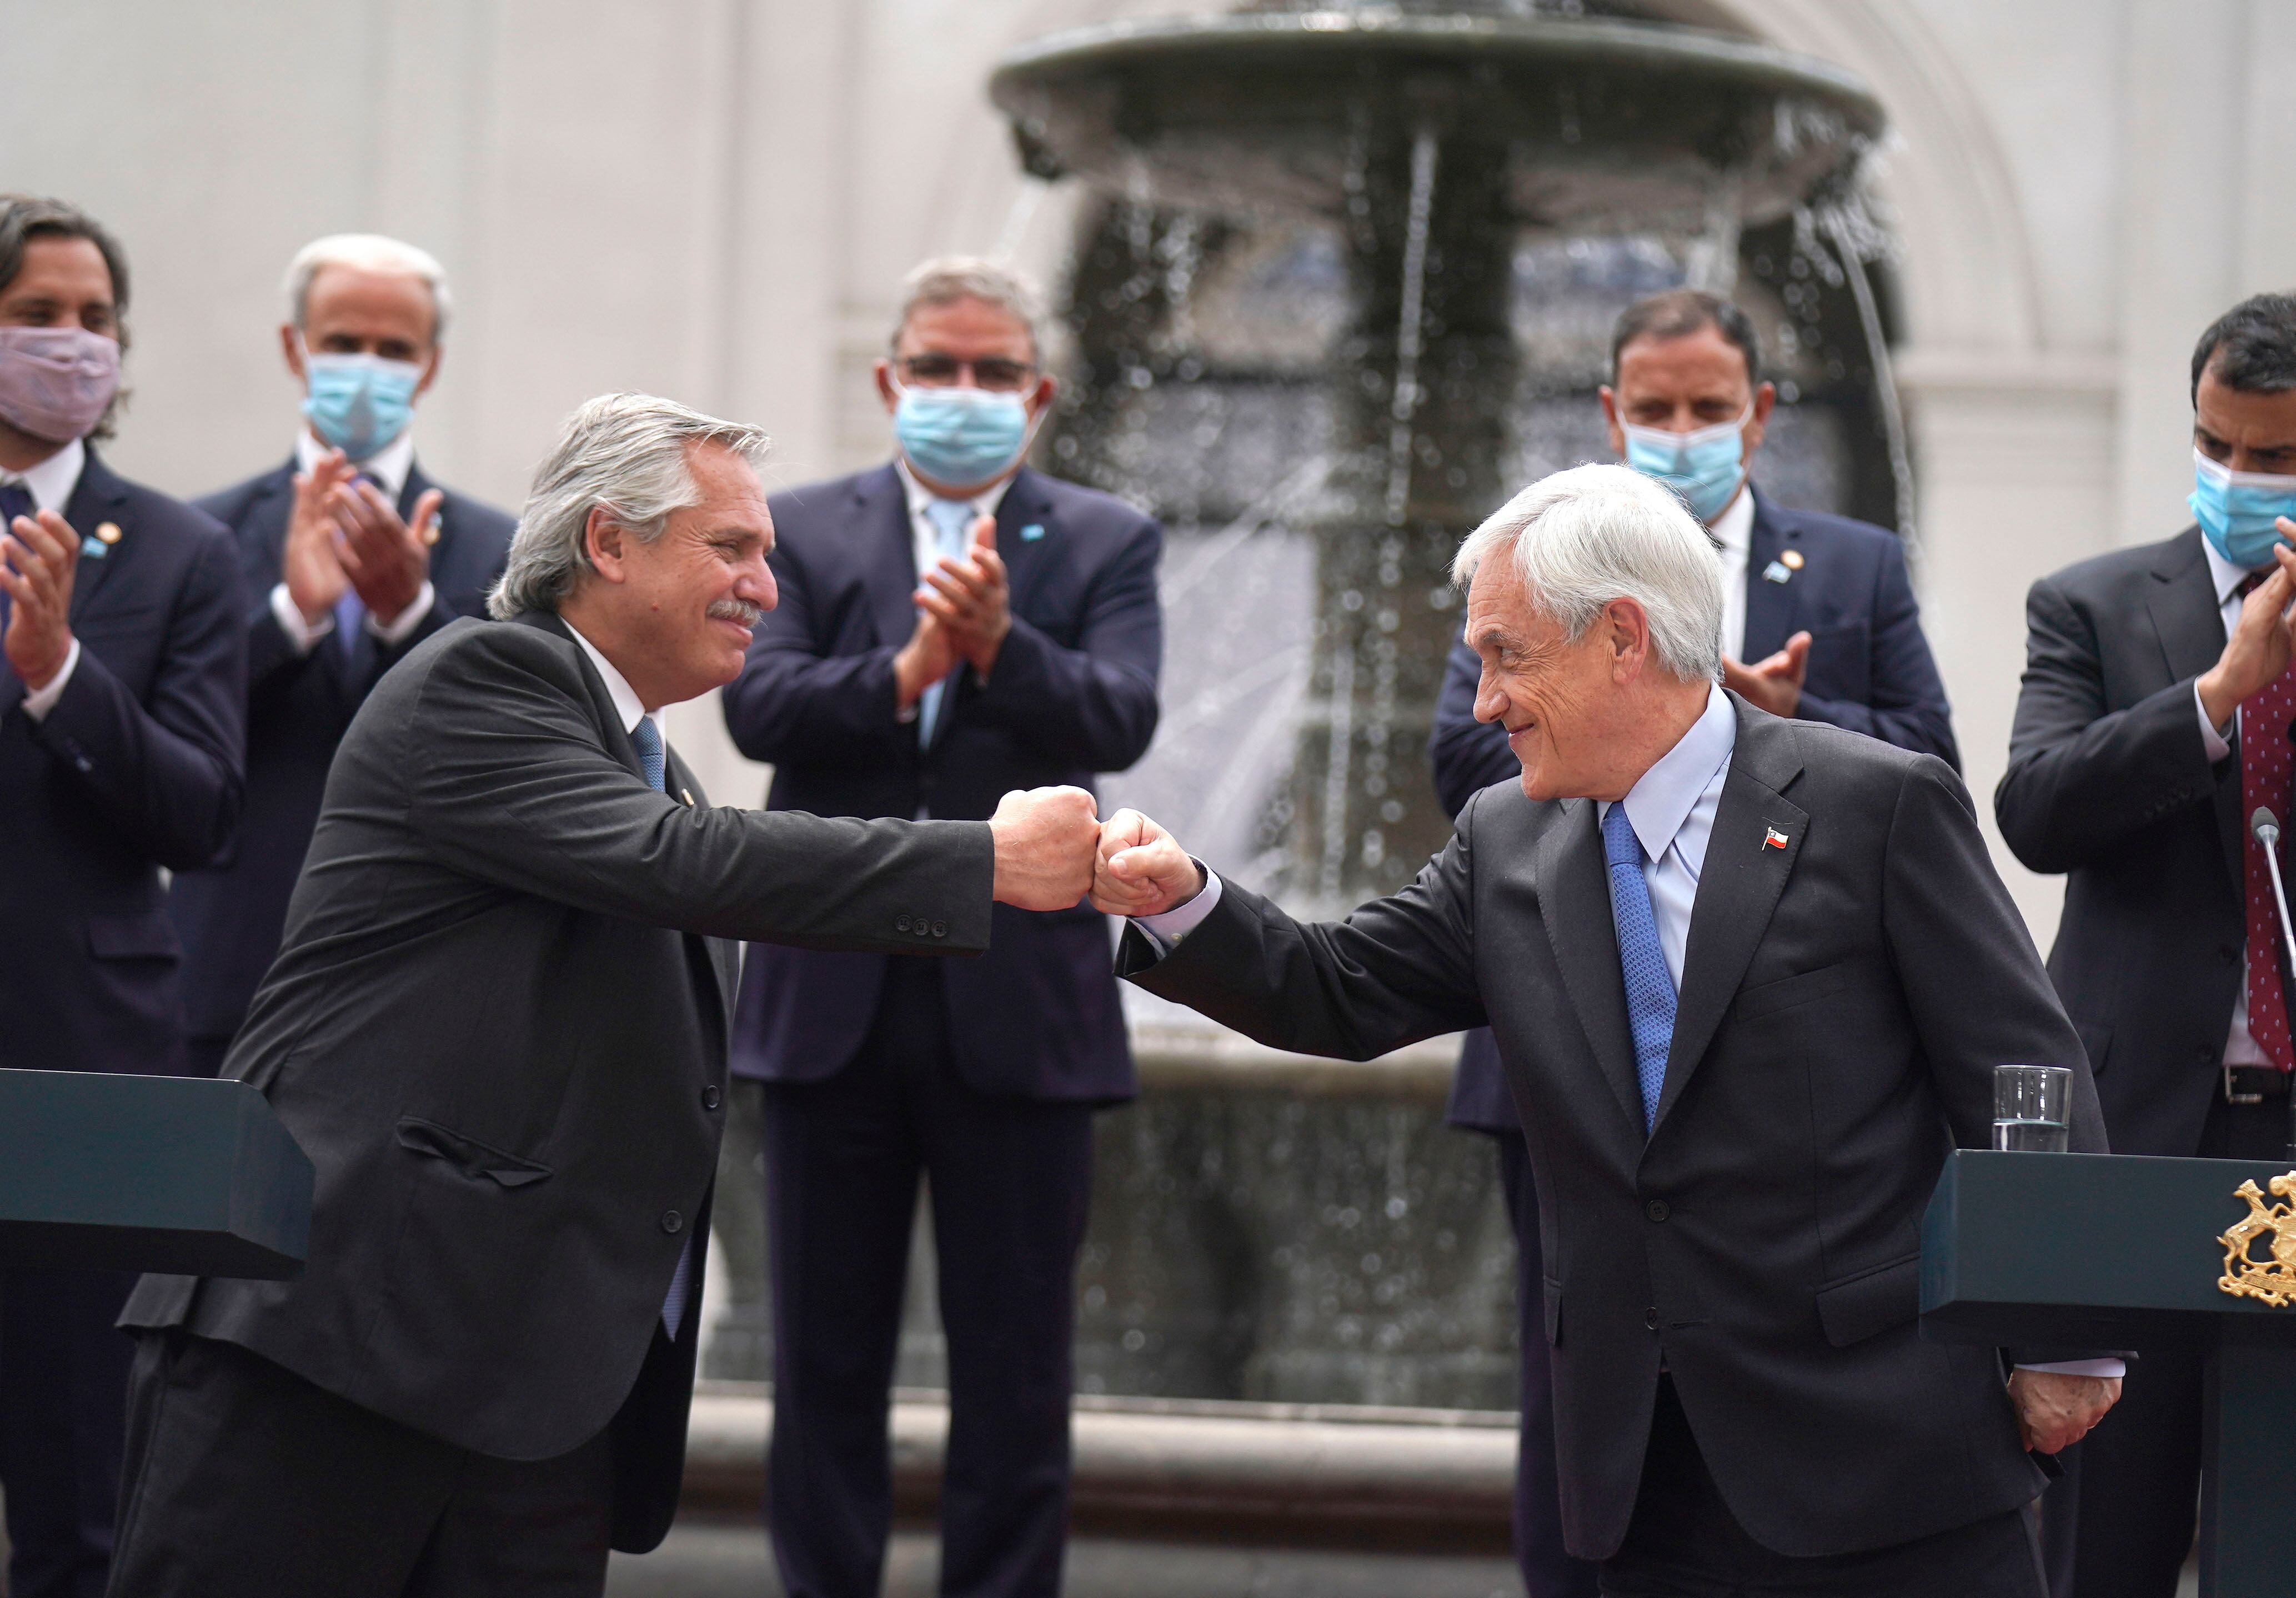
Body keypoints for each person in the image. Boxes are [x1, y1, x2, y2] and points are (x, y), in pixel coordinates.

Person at [107, 393, 1104, 1597]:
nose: (765, 588)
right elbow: (682, 865)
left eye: (769, 557)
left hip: (525, 1397)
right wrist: (983, 862)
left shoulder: (648, 770)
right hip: (337, 1351)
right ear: (608, 541)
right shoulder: (487, 677)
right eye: (730, 548)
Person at [1092, 462, 2118, 1596]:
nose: (1483, 701)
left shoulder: (1874, 805)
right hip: (1642, 1474)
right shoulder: (1507, 840)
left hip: (1884, 1456)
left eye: (1507, 653)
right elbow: (1336, 985)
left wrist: (2063, 1333)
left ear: (1622, 636)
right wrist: (1181, 897)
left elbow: (2022, 1068)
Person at [1427, 287, 1959, 1598]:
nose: (1678, 430)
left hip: (1779, 1055)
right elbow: (1462, 749)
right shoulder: (1529, 562)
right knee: (1583, 1381)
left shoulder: (1849, 564)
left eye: (1706, 408)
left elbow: (1928, 770)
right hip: (1566, 1066)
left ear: (1759, 414)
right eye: (1651, 409)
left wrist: (1764, 719)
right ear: (1609, 413)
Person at [721, 256, 1161, 1598]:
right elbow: (760, 710)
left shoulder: (1103, 538)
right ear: (888, 380)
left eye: (990, 373)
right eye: (935, 369)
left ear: (1037, 391)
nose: (960, 395)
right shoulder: (798, 526)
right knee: (822, 1368)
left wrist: (998, 650)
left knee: (1017, 1375)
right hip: (831, 1003)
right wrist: (906, 670)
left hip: (1019, 1012)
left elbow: (1122, 715)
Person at [1998, 292, 2296, 1598]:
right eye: (2213, 444)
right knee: (2105, 1533)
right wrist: (2217, 697)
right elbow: (2036, 808)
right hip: (2142, 1133)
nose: (2236, 477)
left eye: (2273, 456)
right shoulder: (2096, 606)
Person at [0, 194, 245, 1598]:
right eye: (40, 311)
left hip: (80, 1064)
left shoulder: (174, 551)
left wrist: (59, 675)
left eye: (96, 318)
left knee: (83, 1495)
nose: (74, 342)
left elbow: (202, 808)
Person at [168, 233, 516, 1079]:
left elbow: (509, 744)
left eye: (394, 350)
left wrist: (411, 616)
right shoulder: (200, 534)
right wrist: (294, 615)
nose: (367, 367)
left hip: (427, 975)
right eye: (342, 343)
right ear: (295, 347)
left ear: (430, 366)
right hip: (231, 964)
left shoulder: (500, 549)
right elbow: (175, 728)